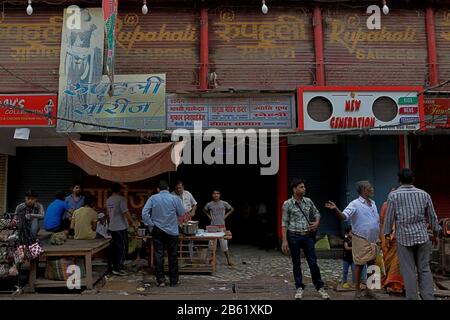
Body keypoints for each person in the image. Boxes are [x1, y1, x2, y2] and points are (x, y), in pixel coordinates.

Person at [384, 168, 440, 300]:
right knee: (424, 269)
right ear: (413, 179)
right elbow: (433, 217)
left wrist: (387, 235)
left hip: (403, 238)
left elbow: (389, 218)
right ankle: (428, 297)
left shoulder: (394, 195)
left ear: (399, 180)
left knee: (408, 271)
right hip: (422, 236)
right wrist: (436, 234)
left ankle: (413, 298)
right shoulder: (424, 194)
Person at [326, 181, 379, 299]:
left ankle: (370, 290)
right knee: (359, 264)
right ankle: (357, 289)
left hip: (373, 239)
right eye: (370, 187)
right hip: (361, 238)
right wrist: (336, 209)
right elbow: (344, 217)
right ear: (364, 190)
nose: (372, 189)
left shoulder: (373, 203)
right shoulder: (354, 204)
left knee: (372, 264)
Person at [281, 179, 330, 300]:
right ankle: (299, 287)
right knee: (296, 263)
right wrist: (284, 240)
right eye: (301, 187)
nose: (304, 189)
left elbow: (317, 213)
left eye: (304, 187)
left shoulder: (308, 201)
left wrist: (316, 223)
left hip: (307, 236)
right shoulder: (287, 204)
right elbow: (284, 223)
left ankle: (320, 287)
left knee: (313, 262)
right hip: (293, 236)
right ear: (294, 189)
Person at [142, 180, 185, 287]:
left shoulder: (153, 198)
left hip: (157, 230)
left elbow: (144, 213)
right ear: (168, 188)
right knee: (173, 256)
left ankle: (161, 280)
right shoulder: (175, 198)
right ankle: (174, 281)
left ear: (157, 189)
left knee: (158, 255)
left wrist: (151, 224)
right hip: (172, 231)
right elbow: (181, 213)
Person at [379, 187, 404, 295]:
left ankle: (396, 286)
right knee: (386, 261)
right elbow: (381, 222)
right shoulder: (385, 205)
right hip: (386, 237)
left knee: (397, 263)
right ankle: (386, 284)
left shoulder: (402, 206)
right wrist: (382, 238)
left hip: (399, 238)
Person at [107, 183, 133, 276]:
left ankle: (116, 265)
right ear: (119, 190)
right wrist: (132, 222)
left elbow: (109, 213)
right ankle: (117, 268)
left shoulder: (109, 199)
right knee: (123, 248)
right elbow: (125, 212)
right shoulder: (121, 199)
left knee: (116, 247)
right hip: (120, 227)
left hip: (112, 226)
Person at [203, 189, 235, 266]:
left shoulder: (224, 203)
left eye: (217, 194)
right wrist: (209, 216)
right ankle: (211, 261)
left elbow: (232, 209)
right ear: (212, 195)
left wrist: (225, 216)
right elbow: (204, 210)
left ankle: (228, 260)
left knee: (224, 244)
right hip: (212, 227)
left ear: (220, 195)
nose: (216, 195)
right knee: (211, 245)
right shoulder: (209, 204)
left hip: (222, 226)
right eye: (214, 193)